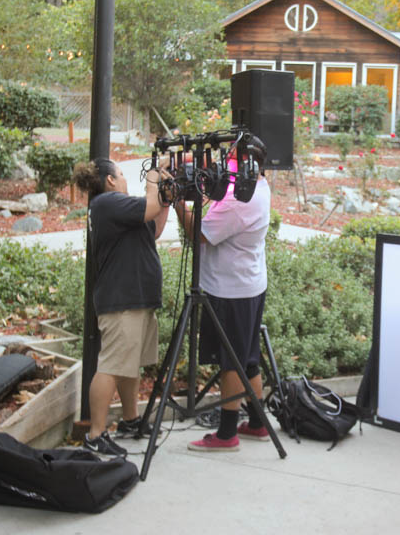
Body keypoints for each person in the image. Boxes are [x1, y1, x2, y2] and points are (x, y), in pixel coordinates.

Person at [174, 142, 271, 452]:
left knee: (232, 362)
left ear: (246, 164)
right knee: (248, 359)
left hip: (232, 291)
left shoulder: (241, 201)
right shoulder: (255, 185)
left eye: (230, 159)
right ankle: (257, 422)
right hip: (246, 284)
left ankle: (227, 434)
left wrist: (178, 203)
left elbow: (199, 234)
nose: (224, 164)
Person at [73, 158, 170, 457]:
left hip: (135, 297)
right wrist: (153, 179)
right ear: (111, 180)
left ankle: (130, 420)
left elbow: (154, 228)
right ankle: (95, 434)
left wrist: (166, 197)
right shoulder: (108, 203)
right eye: (122, 174)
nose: (125, 179)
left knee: (129, 363)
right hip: (121, 300)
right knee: (112, 366)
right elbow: (149, 207)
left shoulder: (118, 208)